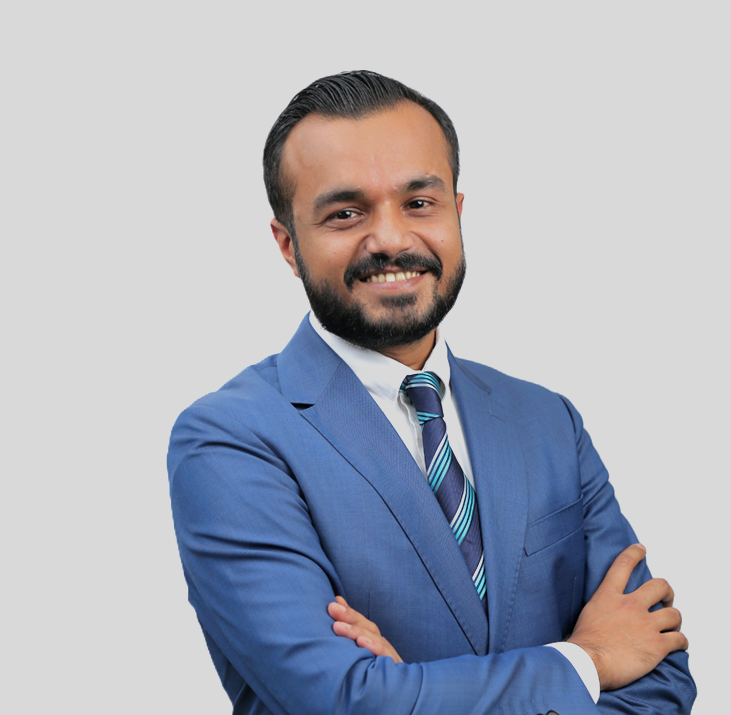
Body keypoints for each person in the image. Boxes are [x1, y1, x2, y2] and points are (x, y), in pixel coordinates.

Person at [167, 70, 695, 715]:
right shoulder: (229, 441)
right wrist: (587, 661)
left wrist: (411, 693)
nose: (391, 239)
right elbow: (344, 703)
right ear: (288, 245)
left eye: (419, 202)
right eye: (345, 213)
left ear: (457, 213)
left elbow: (661, 681)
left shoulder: (547, 420)